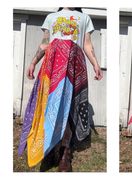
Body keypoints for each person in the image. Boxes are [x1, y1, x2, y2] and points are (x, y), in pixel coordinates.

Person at [18, 7, 103, 172]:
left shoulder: (84, 18)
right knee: (48, 104)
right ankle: (49, 147)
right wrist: (34, 62)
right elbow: (45, 43)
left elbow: (86, 44)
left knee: (69, 106)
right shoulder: (51, 17)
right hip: (52, 63)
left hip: (74, 63)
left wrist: (95, 64)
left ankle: (65, 151)